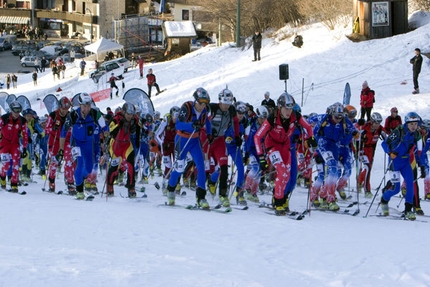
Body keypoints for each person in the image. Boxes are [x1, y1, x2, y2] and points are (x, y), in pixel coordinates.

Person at [254, 93, 316, 215]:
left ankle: (282, 199)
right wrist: (261, 157)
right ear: (280, 107)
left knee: (288, 176)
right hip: (272, 146)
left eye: (290, 108)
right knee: (282, 172)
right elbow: (257, 136)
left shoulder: (295, 115)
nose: (288, 112)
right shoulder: (272, 117)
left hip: (285, 146)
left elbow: (308, 127)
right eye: (286, 108)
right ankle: (277, 201)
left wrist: (311, 138)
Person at [165, 88, 212, 208]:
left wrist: (210, 134)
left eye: (204, 103)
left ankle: (201, 197)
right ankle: (171, 189)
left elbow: (207, 122)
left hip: (195, 140)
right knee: (179, 168)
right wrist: (191, 125)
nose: (202, 106)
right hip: (182, 140)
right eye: (200, 103)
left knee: (201, 167)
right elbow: (178, 124)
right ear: (195, 100)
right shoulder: (187, 107)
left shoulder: (205, 110)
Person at [59, 93, 108, 200]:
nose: (87, 108)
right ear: (80, 105)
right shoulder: (73, 115)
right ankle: (79, 191)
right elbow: (63, 132)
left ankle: (80, 179)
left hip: (88, 144)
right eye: (84, 106)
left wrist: (107, 134)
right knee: (80, 164)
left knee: (89, 168)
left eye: (89, 105)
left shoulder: (95, 113)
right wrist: (61, 149)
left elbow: (104, 125)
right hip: (76, 143)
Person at [310, 102, 355, 211]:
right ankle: (329, 197)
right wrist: (314, 150)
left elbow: (353, 129)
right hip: (323, 144)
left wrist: (356, 134)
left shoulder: (343, 119)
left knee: (333, 173)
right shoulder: (324, 118)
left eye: (340, 117)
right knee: (328, 171)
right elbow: (308, 122)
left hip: (335, 146)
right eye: (336, 117)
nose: (338, 119)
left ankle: (322, 195)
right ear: (331, 113)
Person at [380, 112, 424, 221]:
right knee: (396, 189)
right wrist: (390, 153)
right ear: (407, 124)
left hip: (405, 162)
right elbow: (384, 143)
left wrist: (421, 165)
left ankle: (408, 210)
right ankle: (384, 200)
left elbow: (418, 151)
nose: (414, 126)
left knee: (410, 185)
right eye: (411, 124)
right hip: (395, 162)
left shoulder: (416, 134)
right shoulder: (399, 131)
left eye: (415, 124)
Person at [206, 88, 241, 208]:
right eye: (225, 102)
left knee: (224, 167)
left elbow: (236, 122)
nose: (227, 105)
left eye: (229, 103)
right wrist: (207, 133)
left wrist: (237, 136)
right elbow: (203, 120)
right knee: (204, 167)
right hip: (208, 140)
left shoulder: (231, 110)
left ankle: (223, 194)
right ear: (220, 100)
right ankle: (201, 192)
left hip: (220, 140)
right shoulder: (212, 108)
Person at [106, 102, 140, 197]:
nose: (130, 116)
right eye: (128, 114)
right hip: (116, 145)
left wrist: (137, 139)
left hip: (126, 144)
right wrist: (118, 125)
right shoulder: (116, 118)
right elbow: (111, 131)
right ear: (124, 112)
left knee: (130, 163)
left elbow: (138, 129)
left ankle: (131, 187)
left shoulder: (134, 119)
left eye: (131, 114)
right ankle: (110, 185)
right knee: (114, 167)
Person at [45, 97, 72, 193]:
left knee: (69, 161)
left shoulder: (70, 116)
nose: (65, 111)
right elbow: (46, 130)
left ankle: (70, 183)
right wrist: (53, 128)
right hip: (54, 141)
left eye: (67, 109)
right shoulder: (53, 115)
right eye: (63, 109)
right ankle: (51, 183)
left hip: (66, 141)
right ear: (59, 107)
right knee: (54, 163)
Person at [0, 100, 29, 193]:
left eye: (18, 111)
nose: (16, 113)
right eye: (14, 111)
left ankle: (14, 185)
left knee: (16, 165)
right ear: (11, 110)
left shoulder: (22, 120)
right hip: (4, 143)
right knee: (6, 165)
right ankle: (3, 178)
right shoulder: (4, 118)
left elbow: (25, 135)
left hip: (15, 144)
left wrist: (24, 148)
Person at [356, 112, 384, 198]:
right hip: (362, 149)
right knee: (367, 167)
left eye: (379, 123)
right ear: (371, 121)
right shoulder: (364, 128)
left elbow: (386, 135)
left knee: (369, 168)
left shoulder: (379, 129)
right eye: (376, 122)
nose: (377, 125)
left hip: (371, 150)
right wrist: (357, 151)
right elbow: (355, 134)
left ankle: (359, 181)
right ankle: (367, 189)